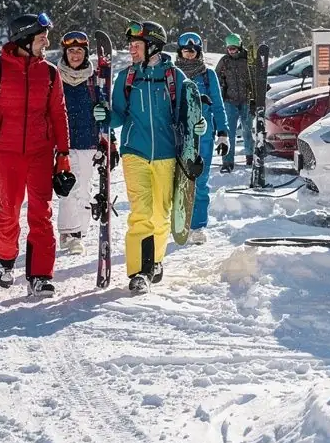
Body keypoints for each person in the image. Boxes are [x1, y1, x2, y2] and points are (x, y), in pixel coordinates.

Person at [0, 12, 73, 297]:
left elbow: (59, 114)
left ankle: (40, 275)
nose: (46, 41)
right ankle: (6, 259)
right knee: (7, 210)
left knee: (41, 214)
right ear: (24, 38)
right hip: (6, 152)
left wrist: (64, 154)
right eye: (41, 36)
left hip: (40, 153)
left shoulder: (49, 73)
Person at [101, 20, 206, 294]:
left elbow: (189, 114)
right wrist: (103, 116)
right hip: (134, 152)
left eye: (136, 46)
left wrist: (199, 127)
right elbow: (117, 117)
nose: (131, 50)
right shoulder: (127, 78)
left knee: (161, 214)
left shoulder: (175, 77)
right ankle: (140, 270)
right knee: (141, 213)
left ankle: (156, 260)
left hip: (166, 154)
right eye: (130, 46)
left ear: (153, 46)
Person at [56, 30, 118, 254]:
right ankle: (69, 232)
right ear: (65, 53)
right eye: (71, 51)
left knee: (83, 189)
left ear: (85, 53)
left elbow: (106, 114)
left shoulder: (94, 80)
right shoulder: (55, 77)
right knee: (66, 190)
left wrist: (110, 143)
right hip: (61, 142)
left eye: (79, 51)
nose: (75, 55)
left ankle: (77, 233)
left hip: (87, 141)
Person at [175, 32, 229, 243]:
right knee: (178, 181)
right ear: (180, 52)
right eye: (186, 51)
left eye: (193, 51)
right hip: (179, 135)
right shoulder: (173, 74)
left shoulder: (208, 75)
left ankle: (197, 227)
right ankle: (179, 222)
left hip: (203, 135)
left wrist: (223, 133)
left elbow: (218, 104)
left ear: (198, 53)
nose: (189, 55)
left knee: (200, 181)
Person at [215, 33, 254, 172]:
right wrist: (220, 89)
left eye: (234, 48)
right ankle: (227, 161)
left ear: (240, 47)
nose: (231, 51)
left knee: (248, 129)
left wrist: (256, 93)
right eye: (229, 49)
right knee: (229, 132)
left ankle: (250, 156)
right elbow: (216, 77)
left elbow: (256, 76)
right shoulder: (225, 61)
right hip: (229, 100)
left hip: (247, 100)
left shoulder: (248, 60)